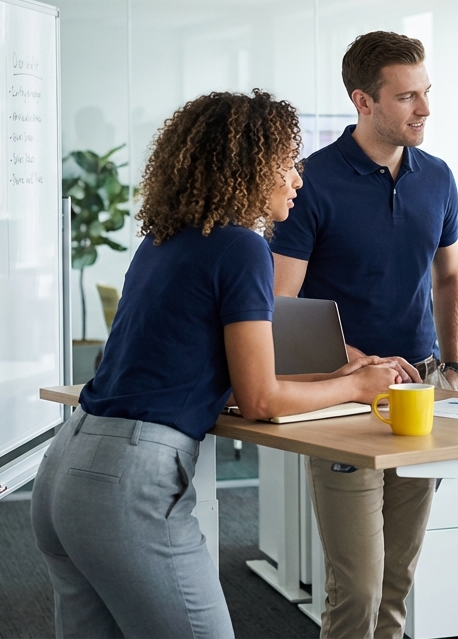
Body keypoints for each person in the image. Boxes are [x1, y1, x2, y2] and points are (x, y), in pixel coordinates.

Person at [32, 90, 409, 638]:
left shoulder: (163, 240)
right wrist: (358, 389)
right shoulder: (241, 247)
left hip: (68, 466)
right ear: (250, 166)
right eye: (286, 165)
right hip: (128, 483)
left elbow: (198, 362)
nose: (298, 180)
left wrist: (339, 372)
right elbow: (261, 400)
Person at [269, 31, 458, 638]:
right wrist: (355, 365)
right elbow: (282, 301)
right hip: (343, 401)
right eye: (407, 96)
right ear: (363, 100)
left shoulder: (437, 178)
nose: (425, 108)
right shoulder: (310, 181)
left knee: (399, 577)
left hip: (417, 396)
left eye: (426, 93)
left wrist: (452, 364)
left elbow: (452, 276)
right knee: (356, 586)